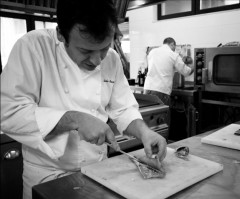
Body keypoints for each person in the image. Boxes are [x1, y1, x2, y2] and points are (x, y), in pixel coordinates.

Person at [0, 0, 167, 198]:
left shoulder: (112, 59)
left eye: (104, 48)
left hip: (99, 173)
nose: (97, 61)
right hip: (47, 177)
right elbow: (9, 111)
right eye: (86, 51)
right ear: (61, 34)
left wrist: (144, 132)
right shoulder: (33, 47)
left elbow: (123, 109)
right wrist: (75, 120)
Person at [143, 37, 194, 106]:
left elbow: (161, 66)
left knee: (149, 113)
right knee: (161, 115)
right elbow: (186, 72)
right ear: (172, 44)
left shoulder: (152, 52)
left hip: (147, 88)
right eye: (174, 48)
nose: (174, 50)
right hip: (161, 91)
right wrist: (192, 67)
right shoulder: (173, 55)